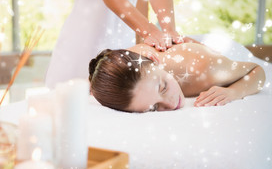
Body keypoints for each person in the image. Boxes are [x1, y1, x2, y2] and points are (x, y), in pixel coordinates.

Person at [45, 0, 185, 89]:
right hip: (81, 48)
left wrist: (168, 30)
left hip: (123, 51)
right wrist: (150, 31)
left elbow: (143, 0)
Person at [88, 42, 266, 112]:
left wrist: (232, 92)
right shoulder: (127, 76)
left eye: (163, 87)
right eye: (154, 107)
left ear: (154, 60)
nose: (172, 104)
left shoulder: (205, 70)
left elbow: (257, 70)